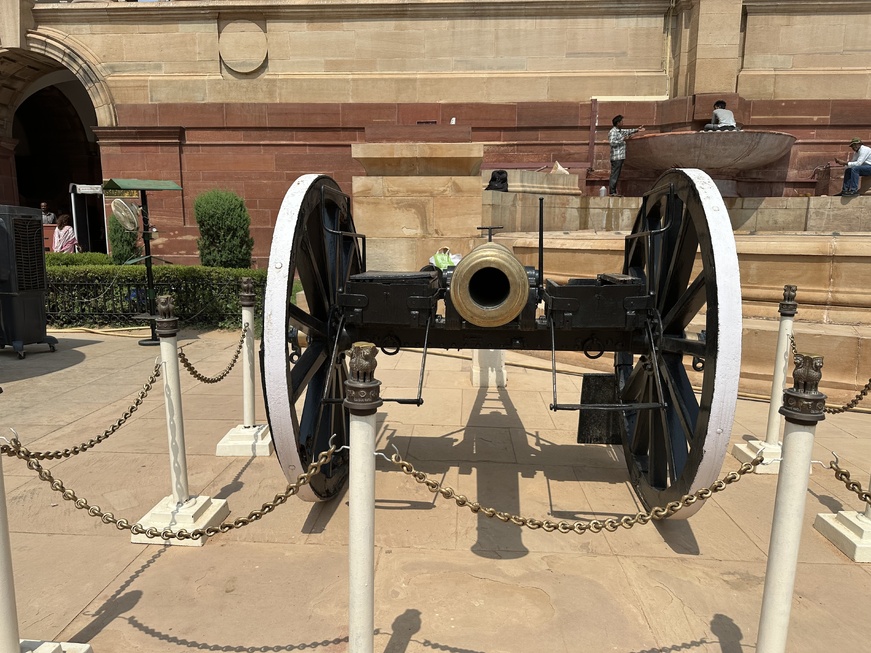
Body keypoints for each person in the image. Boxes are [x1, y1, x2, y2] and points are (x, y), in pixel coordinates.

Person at [608, 115, 644, 196]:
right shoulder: (613, 132)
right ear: (618, 123)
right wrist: (623, 139)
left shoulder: (619, 131)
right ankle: (612, 192)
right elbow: (612, 142)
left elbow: (627, 131)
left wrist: (637, 130)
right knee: (615, 174)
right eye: (621, 121)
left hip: (620, 157)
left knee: (616, 174)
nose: (623, 123)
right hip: (616, 157)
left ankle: (613, 191)